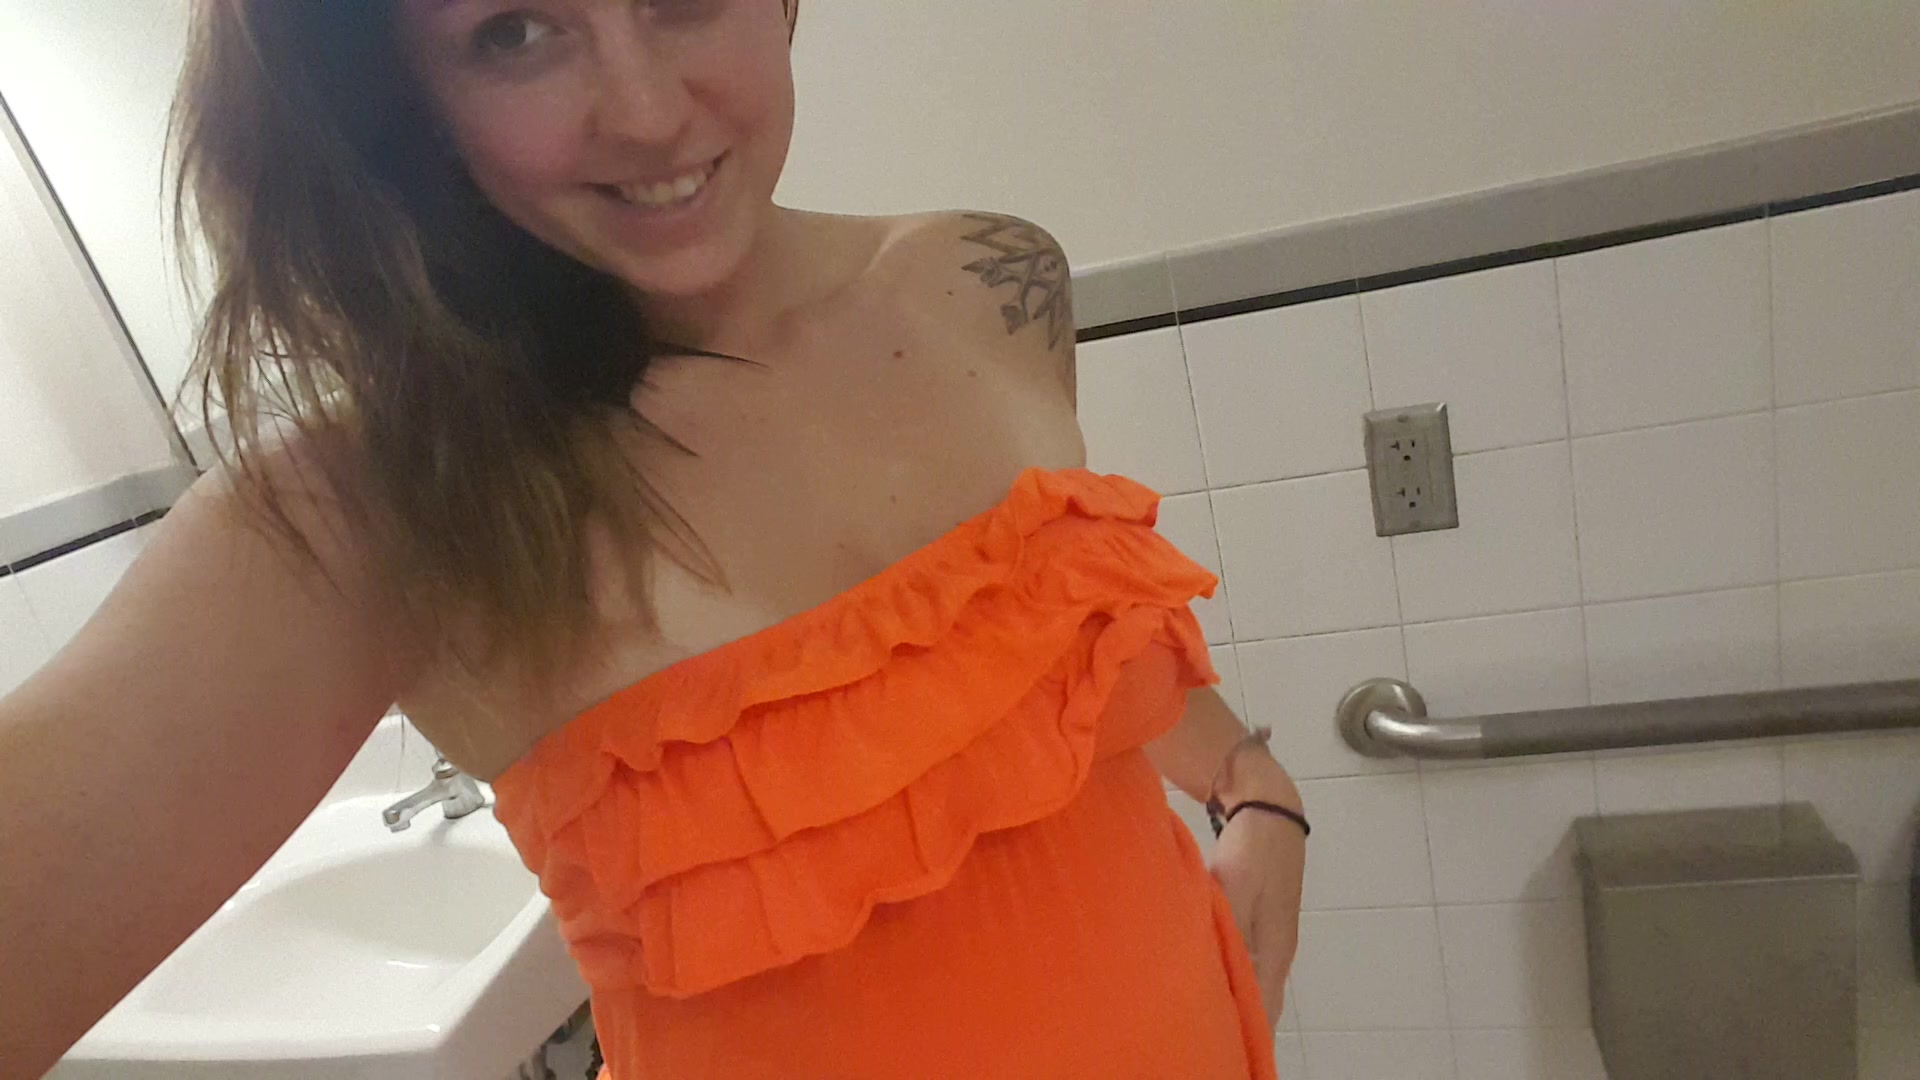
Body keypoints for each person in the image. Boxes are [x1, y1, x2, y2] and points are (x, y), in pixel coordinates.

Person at [0, 2, 1307, 1076]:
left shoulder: (988, 282)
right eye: (513, 34)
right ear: (400, 95)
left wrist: (1252, 782)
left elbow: (1043, 649)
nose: (644, 111)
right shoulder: (385, 511)